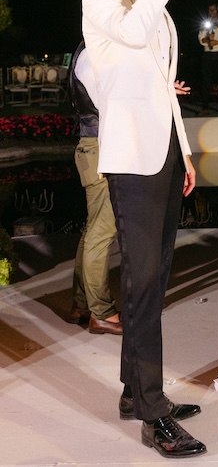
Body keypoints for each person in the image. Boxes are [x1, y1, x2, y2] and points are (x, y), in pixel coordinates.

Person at [81, 0, 206, 458]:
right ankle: (154, 415)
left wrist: (183, 153)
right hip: (131, 160)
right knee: (142, 283)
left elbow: (159, 80)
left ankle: (137, 393)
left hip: (162, 155)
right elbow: (132, 36)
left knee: (153, 279)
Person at [68, 41, 122, 335]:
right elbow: (112, 103)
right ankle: (101, 312)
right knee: (102, 231)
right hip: (99, 148)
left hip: (94, 147)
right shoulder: (92, 58)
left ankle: (81, 304)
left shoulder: (86, 53)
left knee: (94, 229)